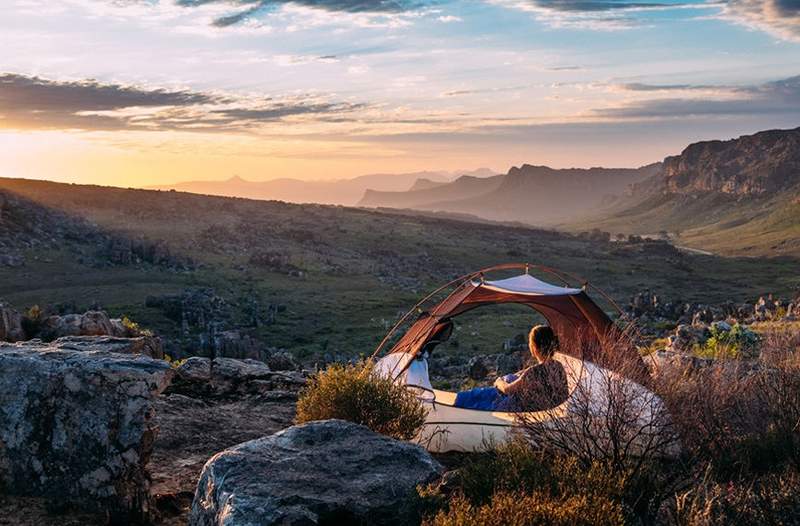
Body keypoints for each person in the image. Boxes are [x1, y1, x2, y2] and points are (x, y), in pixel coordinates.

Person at [453, 325, 568, 411]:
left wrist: (499, 381)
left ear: (534, 348)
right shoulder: (558, 367)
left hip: (523, 410)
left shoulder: (534, 372)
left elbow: (508, 390)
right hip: (547, 410)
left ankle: (458, 402)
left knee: (475, 397)